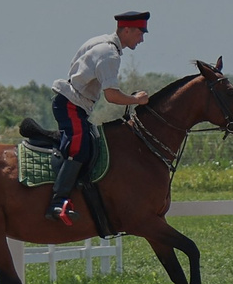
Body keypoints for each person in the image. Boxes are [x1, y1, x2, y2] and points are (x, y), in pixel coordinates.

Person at [47, 13, 153, 225]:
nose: (142, 39)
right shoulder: (110, 54)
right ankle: (57, 202)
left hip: (71, 103)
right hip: (71, 105)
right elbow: (112, 96)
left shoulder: (99, 42)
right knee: (80, 147)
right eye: (140, 33)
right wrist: (136, 100)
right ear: (126, 30)